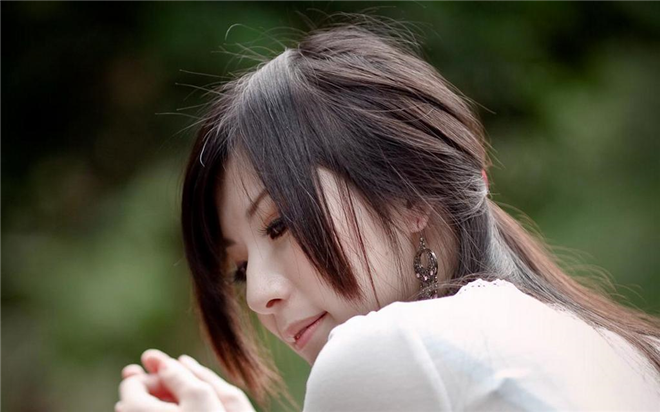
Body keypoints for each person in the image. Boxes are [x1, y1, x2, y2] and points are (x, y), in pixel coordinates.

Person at [114, 15, 660, 412]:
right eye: (239, 269)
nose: (258, 295)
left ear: (411, 193)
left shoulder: (386, 352)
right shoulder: (628, 351)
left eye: (280, 224)